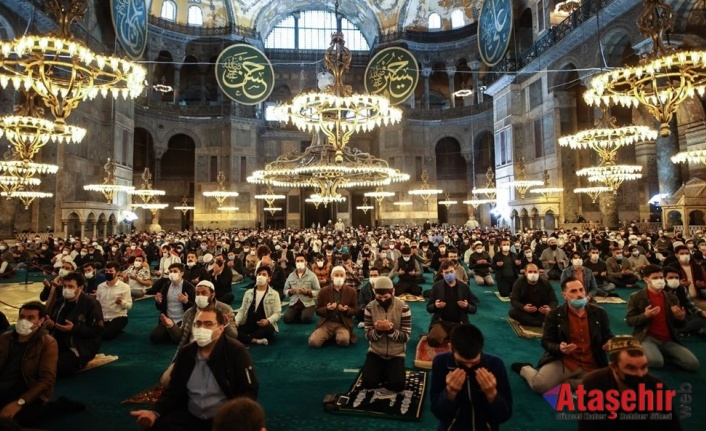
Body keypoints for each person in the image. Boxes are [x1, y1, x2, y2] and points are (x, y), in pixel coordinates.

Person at [131, 308, 259, 431]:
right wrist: (155, 412)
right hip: (191, 414)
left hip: (222, 419)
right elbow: (173, 390)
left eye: (208, 324)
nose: (202, 328)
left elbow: (249, 391)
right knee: (155, 426)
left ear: (220, 328)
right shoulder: (186, 352)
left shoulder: (236, 351)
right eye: (198, 324)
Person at [511, 277, 614, 393]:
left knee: (611, 384)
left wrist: (610, 343)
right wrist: (559, 348)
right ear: (564, 295)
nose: (579, 295)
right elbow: (546, 341)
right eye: (573, 291)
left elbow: (608, 335)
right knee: (539, 385)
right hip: (565, 361)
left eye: (581, 290)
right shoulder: (555, 315)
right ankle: (525, 368)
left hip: (592, 361)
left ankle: (570, 384)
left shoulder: (599, 313)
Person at [578, 336, 683, 431]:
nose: (640, 374)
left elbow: (672, 426)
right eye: (631, 368)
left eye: (643, 367)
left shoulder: (657, 387)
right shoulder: (592, 384)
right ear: (614, 367)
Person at [430, 324, 512, 431]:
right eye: (462, 363)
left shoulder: (495, 364)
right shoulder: (441, 362)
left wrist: (492, 393)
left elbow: (503, 416)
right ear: (450, 348)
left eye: (474, 363)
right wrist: (449, 393)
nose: (468, 367)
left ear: (481, 349)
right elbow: (438, 413)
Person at [160, 280, 237, 387]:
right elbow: (180, 338)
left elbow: (234, 336)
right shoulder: (189, 313)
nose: (200, 296)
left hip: (216, 355)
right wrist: (171, 326)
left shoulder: (225, 310)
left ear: (212, 294)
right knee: (166, 381)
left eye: (204, 293)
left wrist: (226, 325)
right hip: (191, 353)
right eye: (197, 293)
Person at [625, 264, 699, 371]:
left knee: (693, 364)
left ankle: (663, 355)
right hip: (647, 338)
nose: (659, 280)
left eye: (661, 277)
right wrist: (645, 316)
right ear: (646, 280)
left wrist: (681, 318)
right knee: (656, 362)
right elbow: (629, 321)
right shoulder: (636, 297)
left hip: (668, 339)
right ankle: (652, 353)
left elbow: (680, 325)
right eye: (655, 278)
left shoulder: (672, 298)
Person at [0, 301, 57, 428]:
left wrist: (19, 403)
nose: (24, 321)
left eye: (31, 318)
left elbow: (47, 380)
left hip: (27, 391)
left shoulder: (48, 343)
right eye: (22, 317)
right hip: (4, 386)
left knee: (13, 421)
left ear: (41, 320)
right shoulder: (5, 338)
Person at [45, 272, 104, 378]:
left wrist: (74, 328)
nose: (66, 289)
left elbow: (97, 331)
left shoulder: (91, 304)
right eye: (65, 286)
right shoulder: (60, 302)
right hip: (57, 342)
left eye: (70, 286)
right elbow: (53, 322)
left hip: (78, 346)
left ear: (80, 287)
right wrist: (50, 324)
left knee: (53, 370)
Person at [361, 276, 412, 392]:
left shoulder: (403, 307)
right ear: (375, 293)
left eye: (386, 297)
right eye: (379, 297)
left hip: (396, 354)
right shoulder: (370, 307)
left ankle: (386, 371)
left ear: (393, 291)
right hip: (376, 352)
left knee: (397, 386)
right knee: (368, 383)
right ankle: (382, 370)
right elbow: (367, 335)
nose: (383, 300)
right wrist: (378, 330)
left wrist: (390, 331)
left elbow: (406, 337)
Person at [426, 260, 479, 347]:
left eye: (451, 271)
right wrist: (435, 305)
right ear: (442, 274)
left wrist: (467, 306)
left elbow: (474, 309)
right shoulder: (436, 287)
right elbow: (428, 308)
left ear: (455, 271)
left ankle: (450, 335)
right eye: (446, 272)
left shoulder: (464, 287)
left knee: (467, 344)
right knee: (433, 340)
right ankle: (449, 335)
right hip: (442, 323)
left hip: (460, 323)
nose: (449, 274)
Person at [308, 266, 359, 348]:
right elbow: (317, 310)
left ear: (345, 277)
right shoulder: (323, 291)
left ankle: (334, 336)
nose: (339, 277)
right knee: (314, 342)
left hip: (343, 324)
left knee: (343, 341)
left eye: (341, 275)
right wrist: (327, 309)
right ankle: (329, 335)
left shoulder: (352, 292)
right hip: (327, 323)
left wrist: (346, 310)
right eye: (336, 275)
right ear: (331, 277)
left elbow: (356, 310)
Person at [234, 266, 281, 346]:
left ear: (268, 279)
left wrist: (268, 321)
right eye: (259, 274)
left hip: (263, 326)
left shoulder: (274, 294)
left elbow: (277, 313)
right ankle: (255, 340)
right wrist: (236, 322)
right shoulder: (248, 293)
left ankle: (245, 338)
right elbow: (242, 310)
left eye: (264, 274)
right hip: (248, 324)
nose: (261, 277)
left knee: (269, 329)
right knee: (231, 329)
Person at [151, 263, 196, 344]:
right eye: (170, 271)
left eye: (175, 271)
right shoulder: (166, 285)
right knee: (155, 338)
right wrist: (158, 302)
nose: (172, 273)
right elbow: (160, 307)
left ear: (181, 273)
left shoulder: (189, 287)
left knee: (181, 340)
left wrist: (186, 302)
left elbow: (196, 307)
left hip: (182, 320)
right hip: (168, 319)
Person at [663, 266, 706, 335]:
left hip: (683, 318)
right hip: (667, 320)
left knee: (703, 319)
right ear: (664, 279)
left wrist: (702, 312)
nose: (674, 279)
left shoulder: (682, 289)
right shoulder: (660, 290)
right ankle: (680, 331)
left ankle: (679, 331)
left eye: (676, 278)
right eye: (671, 278)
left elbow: (691, 307)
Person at [96, 262, 132, 340]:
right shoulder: (100, 286)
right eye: (106, 271)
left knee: (106, 335)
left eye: (111, 271)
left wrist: (121, 302)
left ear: (117, 272)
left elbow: (129, 306)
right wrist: (98, 318)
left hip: (118, 317)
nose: (108, 273)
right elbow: (97, 304)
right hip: (103, 317)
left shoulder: (125, 287)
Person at [282, 254, 320, 324]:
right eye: (298, 261)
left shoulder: (312, 275)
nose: (299, 262)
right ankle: (298, 314)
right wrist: (290, 292)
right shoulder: (291, 275)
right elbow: (285, 290)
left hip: (308, 303)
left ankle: (303, 314)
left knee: (306, 319)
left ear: (306, 262)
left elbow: (318, 291)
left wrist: (308, 292)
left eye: (301, 261)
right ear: (295, 263)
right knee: (286, 319)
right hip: (294, 304)